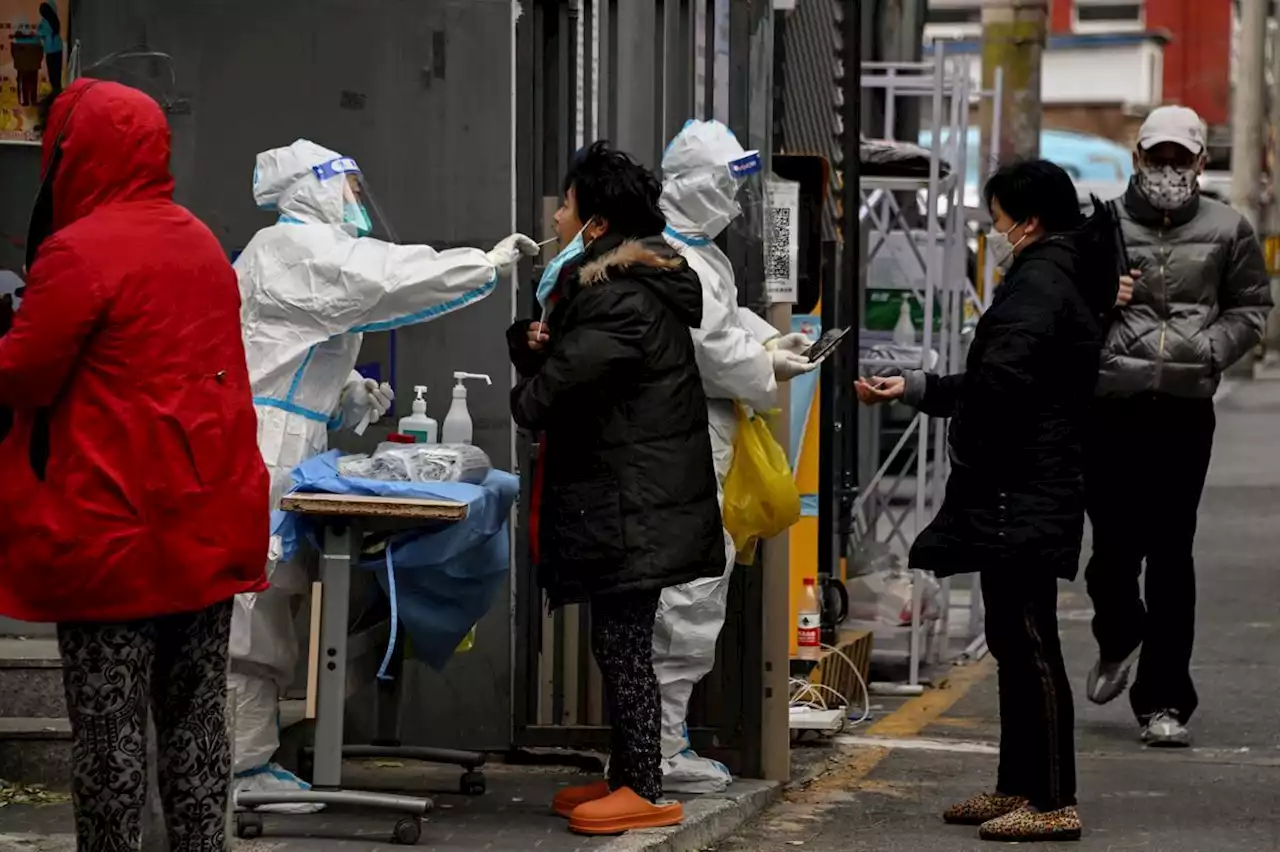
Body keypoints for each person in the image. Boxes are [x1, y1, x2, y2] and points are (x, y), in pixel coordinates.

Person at [0, 79, 269, 852]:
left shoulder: (80, 250)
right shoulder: (199, 240)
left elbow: (23, 375)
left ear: (72, 154)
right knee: (194, 719)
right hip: (207, 523)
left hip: (111, 531)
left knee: (110, 732)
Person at [231, 138, 538, 811]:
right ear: (312, 186)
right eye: (344, 186)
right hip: (259, 444)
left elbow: (288, 352)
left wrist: (344, 397)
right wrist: (476, 263)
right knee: (251, 608)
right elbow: (381, 277)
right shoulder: (291, 249)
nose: (354, 200)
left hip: (285, 438)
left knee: (272, 597)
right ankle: (238, 768)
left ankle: (247, 759)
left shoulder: (308, 252)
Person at [857, 160, 1121, 843]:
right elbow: (996, 376)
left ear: (1028, 222)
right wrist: (915, 389)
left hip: (1025, 483)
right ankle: (1017, 784)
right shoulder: (1054, 273)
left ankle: (1054, 798)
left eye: (998, 216)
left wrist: (950, 407)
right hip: (1025, 480)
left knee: (1030, 640)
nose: (993, 229)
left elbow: (1003, 382)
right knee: (1010, 636)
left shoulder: (1041, 281)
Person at [508, 141, 722, 835]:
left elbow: (554, 394)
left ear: (597, 225)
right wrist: (533, 343)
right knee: (619, 640)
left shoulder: (618, 300)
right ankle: (628, 773)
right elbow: (571, 365)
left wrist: (532, 377)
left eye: (567, 204)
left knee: (626, 644)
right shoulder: (620, 291)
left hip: (633, 505)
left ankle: (647, 788)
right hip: (632, 500)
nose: (558, 214)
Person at [1083, 106, 1272, 746]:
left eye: (1178, 158)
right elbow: (1066, 302)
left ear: (1200, 162)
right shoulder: (1101, 225)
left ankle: (1164, 701)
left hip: (1186, 410)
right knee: (1110, 553)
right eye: (1156, 156)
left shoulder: (1229, 228)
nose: (1167, 170)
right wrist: (1102, 299)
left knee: (1171, 554)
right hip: (1111, 405)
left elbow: (1251, 305)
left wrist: (1212, 350)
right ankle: (1119, 634)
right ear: (1137, 157)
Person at [654, 119, 815, 793]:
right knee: (684, 599)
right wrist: (764, 363)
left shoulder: (700, 255)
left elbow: (727, 321)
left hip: (706, 442)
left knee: (697, 595)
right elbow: (713, 351)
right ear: (686, 186)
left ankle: (665, 740)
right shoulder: (674, 258)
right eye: (721, 186)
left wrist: (767, 341)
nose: (730, 202)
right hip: (688, 444)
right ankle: (660, 748)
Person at [37, 2, 63, 96]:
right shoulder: (55, 20)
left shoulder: (45, 22)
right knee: (57, 72)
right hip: (58, 49)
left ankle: (55, 93)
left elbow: (39, 32)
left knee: (52, 72)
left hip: (50, 50)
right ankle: (58, 91)